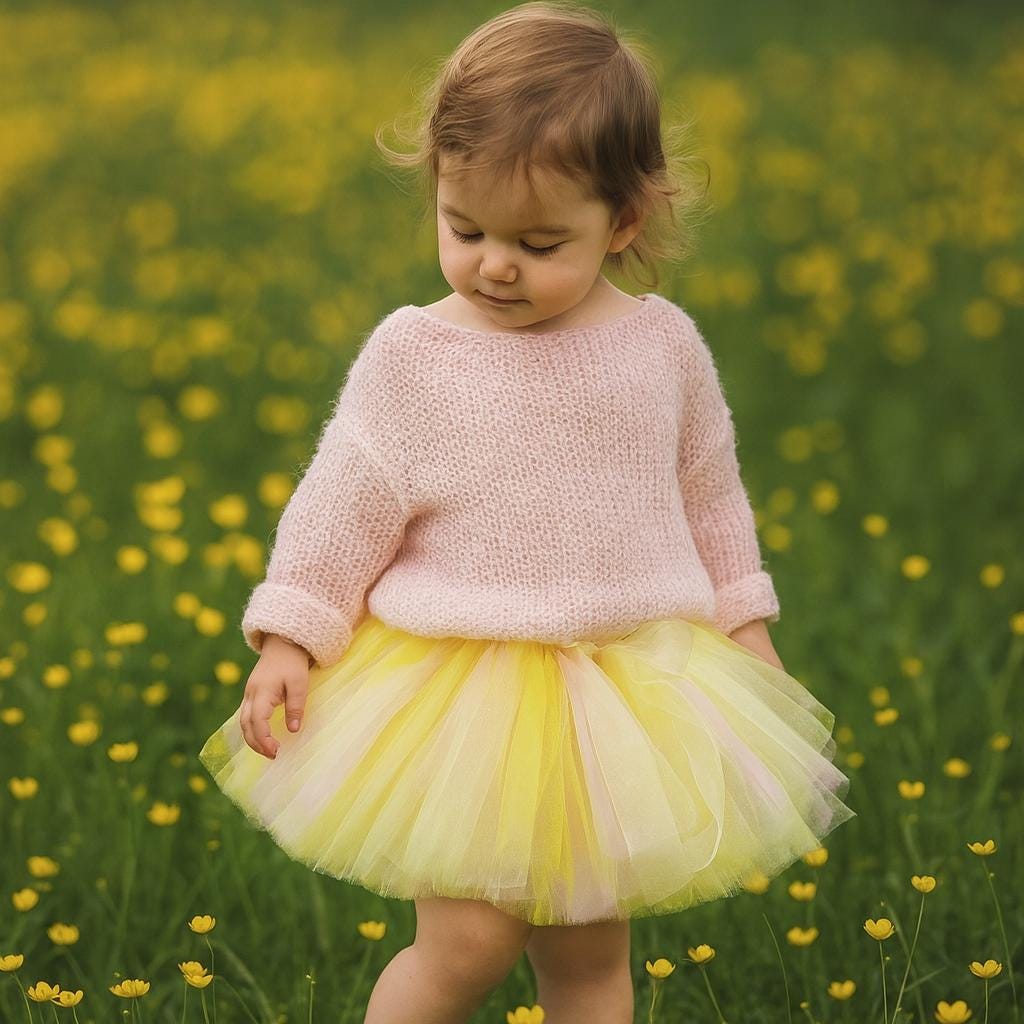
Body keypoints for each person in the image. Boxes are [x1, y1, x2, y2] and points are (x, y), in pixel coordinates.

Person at [198, 3, 856, 1022]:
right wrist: (292, 630)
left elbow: (707, 490)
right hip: (459, 690)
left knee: (589, 951)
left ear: (623, 222)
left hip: (619, 688)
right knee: (465, 942)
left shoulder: (661, 347)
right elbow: (344, 498)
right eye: (464, 230)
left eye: (540, 241)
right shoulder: (417, 356)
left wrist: (745, 625)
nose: (494, 264)